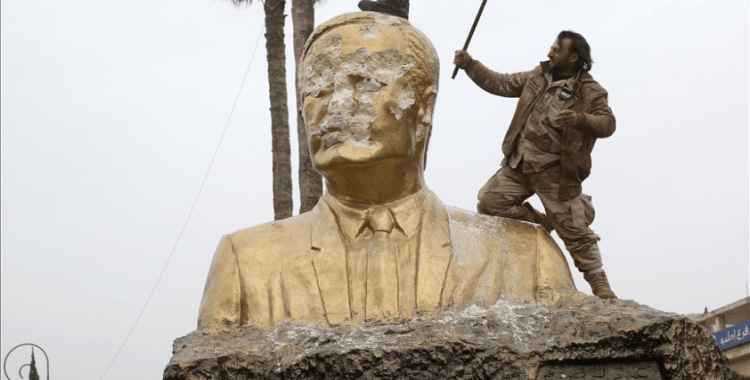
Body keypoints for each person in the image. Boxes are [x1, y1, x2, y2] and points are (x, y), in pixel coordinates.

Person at [197, 12, 579, 333]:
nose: (339, 105)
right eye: (319, 90)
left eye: (366, 82)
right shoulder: (244, 263)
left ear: (423, 110)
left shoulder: (527, 257)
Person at [453, 31, 617, 299]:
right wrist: (471, 65)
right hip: (519, 164)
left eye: (556, 49)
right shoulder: (537, 76)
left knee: (576, 232)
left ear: (574, 57)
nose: (550, 52)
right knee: (490, 203)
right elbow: (501, 83)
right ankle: (543, 219)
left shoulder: (592, 92)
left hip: (556, 173)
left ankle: (600, 284)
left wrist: (579, 119)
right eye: (551, 48)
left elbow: (608, 124)